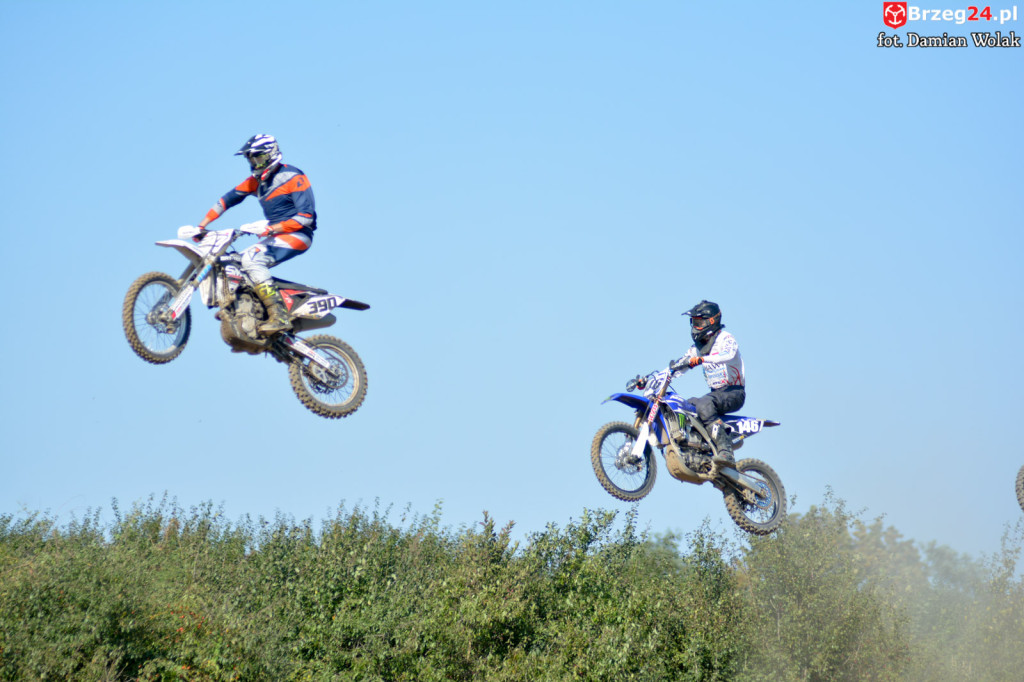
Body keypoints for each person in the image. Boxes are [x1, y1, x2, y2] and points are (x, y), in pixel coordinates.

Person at [195, 134, 316, 336]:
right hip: (275, 234)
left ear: (271, 154)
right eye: (251, 159)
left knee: (252, 260)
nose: (254, 163)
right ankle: (246, 311)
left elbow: (306, 217)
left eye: (258, 158)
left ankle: (279, 315)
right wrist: (202, 226)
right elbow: (226, 200)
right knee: (234, 262)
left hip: (298, 234)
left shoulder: (294, 176)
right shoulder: (255, 182)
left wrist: (271, 229)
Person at [676, 300, 745, 466]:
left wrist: (701, 359)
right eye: (694, 322)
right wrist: (657, 377)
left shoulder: (725, 339)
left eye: (699, 322)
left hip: (733, 393)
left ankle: (725, 451)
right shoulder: (697, 348)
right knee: (686, 404)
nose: (695, 326)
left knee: (705, 404)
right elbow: (681, 365)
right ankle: (698, 448)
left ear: (711, 321)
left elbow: (727, 355)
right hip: (716, 394)